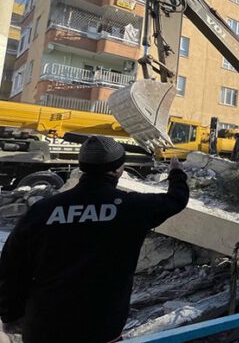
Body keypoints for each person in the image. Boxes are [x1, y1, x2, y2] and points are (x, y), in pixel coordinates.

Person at [0, 136, 190, 342]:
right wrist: (176, 174)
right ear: (119, 169)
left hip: (43, 325)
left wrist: (10, 313)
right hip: (100, 327)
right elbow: (176, 199)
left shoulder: (43, 209)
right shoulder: (132, 208)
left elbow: (12, 265)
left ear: (82, 167)